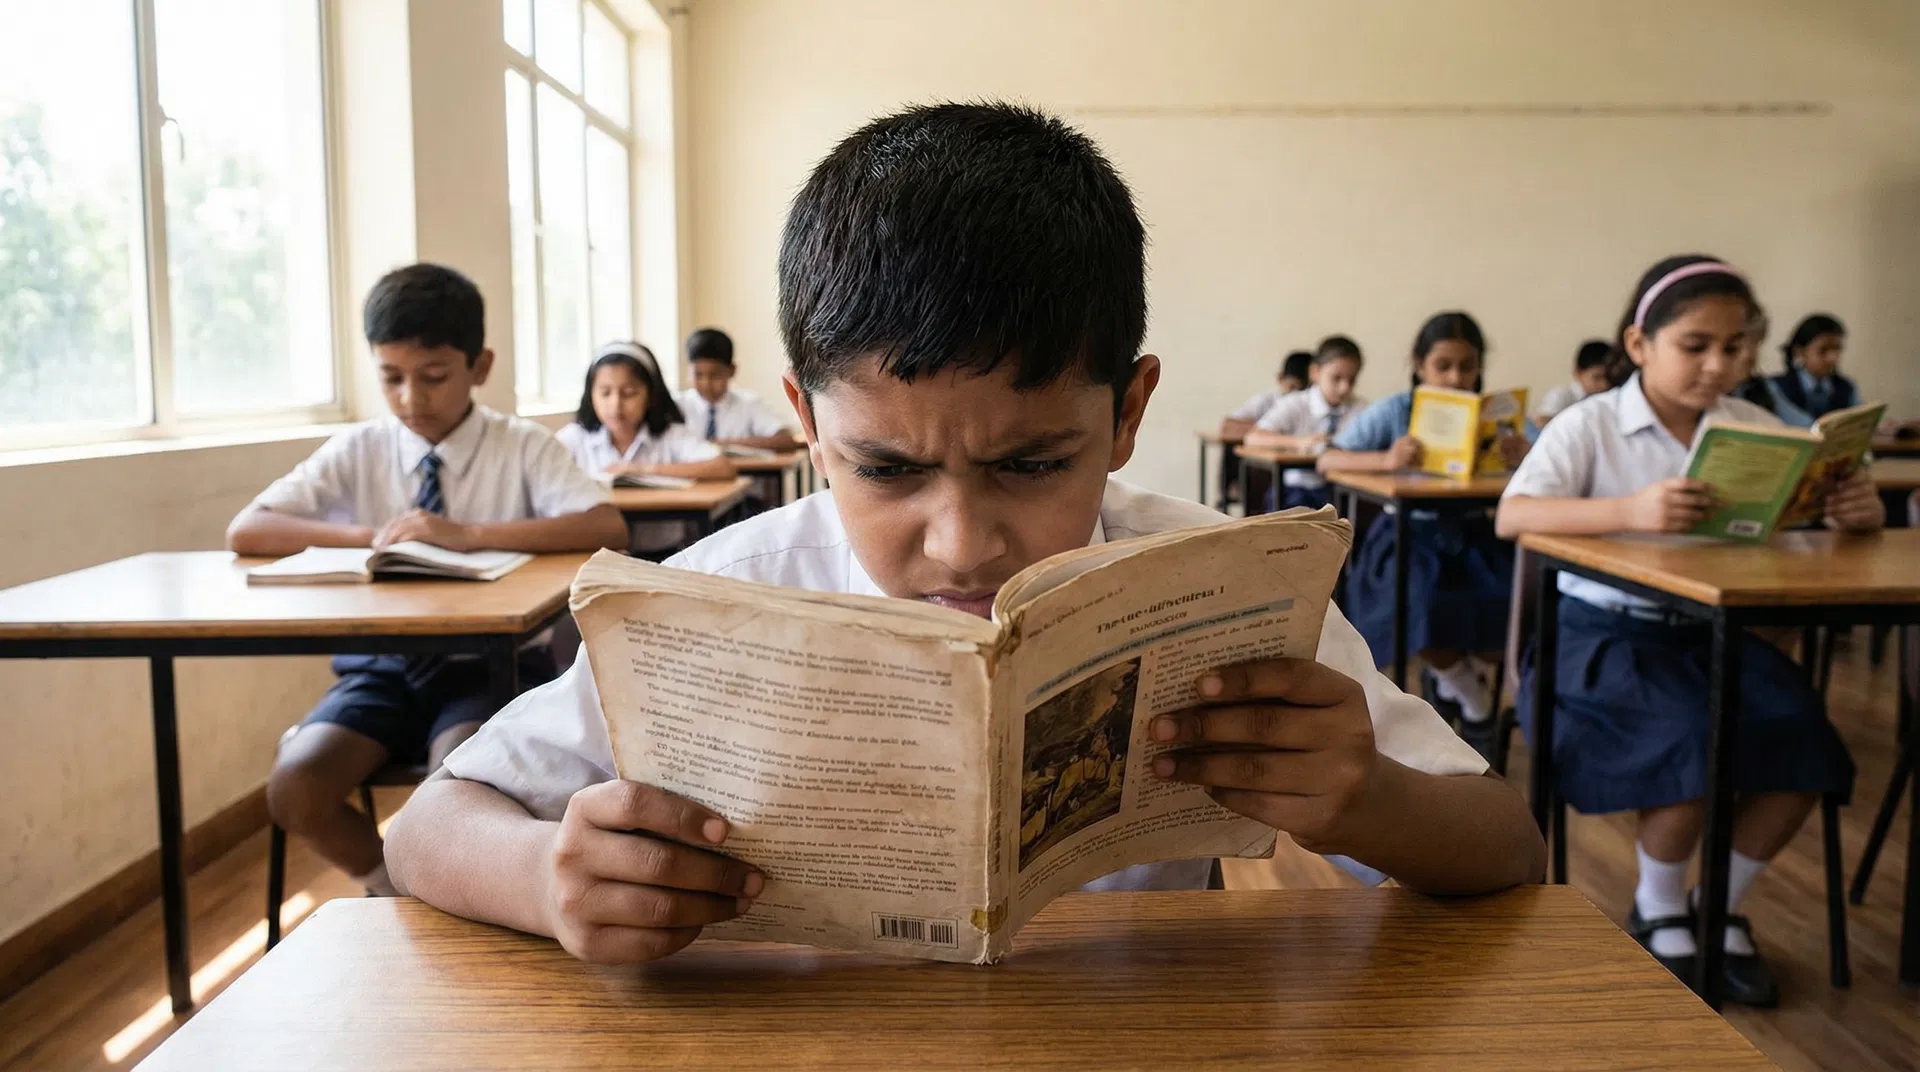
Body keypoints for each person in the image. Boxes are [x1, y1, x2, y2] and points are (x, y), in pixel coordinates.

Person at [383, 102, 1544, 964]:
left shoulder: (1216, 591)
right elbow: (429, 826)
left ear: (1127, 413)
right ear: (806, 423)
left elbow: (1507, 845)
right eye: (885, 468)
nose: (959, 544)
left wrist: (1367, 798)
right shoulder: (723, 600)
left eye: (1031, 464)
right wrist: (545, 874)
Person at [1496, 254, 1878, 1005]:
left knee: (1805, 743)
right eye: (1695, 345)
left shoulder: (1758, 427)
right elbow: (1515, 514)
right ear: (1640, 344)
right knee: (1687, 739)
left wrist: (1849, 520)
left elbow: (1791, 542)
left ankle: (1720, 906)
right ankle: (1660, 905)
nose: (1717, 365)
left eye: (1735, 348)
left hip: (1717, 633)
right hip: (1603, 635)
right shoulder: (1591, 425)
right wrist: (1628, 511)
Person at [227, 263, 628, 896]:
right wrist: (380, 535)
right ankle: (394, 888)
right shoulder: (360, 447)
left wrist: (466, 533)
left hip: (484, 666)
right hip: (380, 668)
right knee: (295, 785)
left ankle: (440, 890)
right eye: (391, 377)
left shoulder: (522, 445)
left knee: (451, 787)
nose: (411, 398)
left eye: (433, 377)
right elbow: (248, 530)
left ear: (480, 365)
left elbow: (602, 525)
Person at [1317, 312, 1527, 751]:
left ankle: (1453, 684)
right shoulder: (1398, 409)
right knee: (1419, 608)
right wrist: (1386, 461)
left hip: (1477, 536)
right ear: (1419, 365)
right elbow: (1330, 460)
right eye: (1442, 366)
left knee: (1508, 613)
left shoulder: (1498, 413)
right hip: (1411, 535)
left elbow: (1551, 459)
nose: (1455, 377)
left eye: (1466, 367)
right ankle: (1467, 693)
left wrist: (1524, 454)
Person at [556, 342, 737, 555]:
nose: (616, 404)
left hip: (663, 555)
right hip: (592, 557)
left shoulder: (672, 435)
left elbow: (722, 467)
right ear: (590, 395)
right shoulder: (574, 437)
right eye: (605, 393)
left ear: (651, 395)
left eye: (629, 393)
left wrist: (641, 469)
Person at [1243, 343, 1366, 510]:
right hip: (1297, 489)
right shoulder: (1295, 403)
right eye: (1336, 378)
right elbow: (1253, 438)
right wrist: (1299, 442)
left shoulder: (1362, 410)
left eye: (1351, 380)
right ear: (1315, 372)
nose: (1344, 388)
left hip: (1340, 491)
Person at [675, 327, 801, 451]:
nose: (706, 383)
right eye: (698, 375)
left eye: (715, 375)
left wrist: (725, 444)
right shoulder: (676, 405)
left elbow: (785, 440)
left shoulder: (748, 404)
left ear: (732, 370)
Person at [1727, 306, 1812, 427]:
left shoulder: (1763, 388)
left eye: (1756, 342)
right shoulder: (1708, 396)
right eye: (1735, 345)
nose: (1749, 353)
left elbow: (1803, 424)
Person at [1770, 314, 1857, 421]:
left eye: (1837, 349)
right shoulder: (1776, 388)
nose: (1832, 358)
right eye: (1823, 350)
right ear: (1799, 352)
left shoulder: (1846, 388)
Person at [1219, 350, 1313, 440]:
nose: (1296, 396)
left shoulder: (1311, 406)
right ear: (1280, 378)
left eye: (1305, 390)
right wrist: (1268, 429)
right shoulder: (1264, 402)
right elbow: (1227, 426)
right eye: (1292, 387)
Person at [1534, 340, 1614, 425]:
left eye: (1609, 377)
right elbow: (1541, 422)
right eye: (1597, 377)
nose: (1604, 384)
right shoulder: (1562, 395)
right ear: (1578, 373)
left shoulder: (1611, 396)